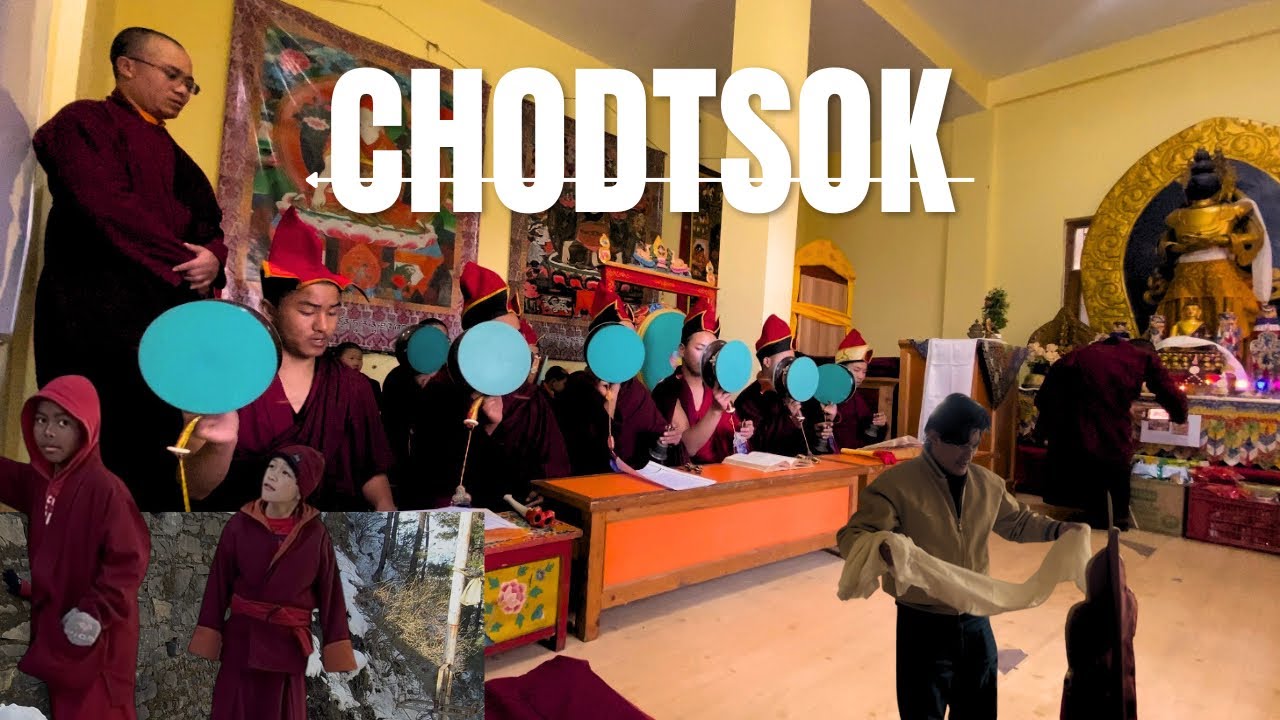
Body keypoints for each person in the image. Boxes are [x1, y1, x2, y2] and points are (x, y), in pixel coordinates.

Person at [31, 27, 225, 511]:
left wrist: (214, 258)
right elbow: (108, 208)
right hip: (90, 319)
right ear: (127, 66)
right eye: (173, 75)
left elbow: (210, 224)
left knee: (150, 459)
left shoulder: (180, 161)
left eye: (190, 83)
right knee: (86, 452)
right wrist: (184, 260)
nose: (183, 89)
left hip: (158, 333)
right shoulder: (82, 124)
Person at [837, 393, 1087, 720]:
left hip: (975, 614)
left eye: (975, 444)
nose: (969, 454)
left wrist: (1059, 530)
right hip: (921, 620)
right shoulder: (897, 485)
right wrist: (882, 547)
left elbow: (1017, 522)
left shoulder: (987, 484)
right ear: (934, 438)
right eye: (960, 445)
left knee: (979, 708)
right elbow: (853, 536)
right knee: (922, 710)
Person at [180, 207, 396, 511]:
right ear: (269, 310)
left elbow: (370, 471)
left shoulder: (352, 387)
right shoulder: (229, 379)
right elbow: (194, 488)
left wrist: (387, 516)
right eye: (308, 311)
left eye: (333, 312)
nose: (323, 325)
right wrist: (222, 445)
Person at [0, 376, 151, 720]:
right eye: (41, 419)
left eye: (63, 421)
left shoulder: (106, 490)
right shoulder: (42, 483)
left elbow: (129, 561)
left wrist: (91, 614)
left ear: (86, 427)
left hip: (99, 643)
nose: (49, 431)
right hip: (60, 640)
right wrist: (29, 589)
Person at [188, 444, 356, 720]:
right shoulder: (238, 526)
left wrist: (336, 648)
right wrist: (209, 633)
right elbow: (218, 586)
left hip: (286, 651)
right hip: (242, 644)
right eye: (272, 467)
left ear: (302, 487)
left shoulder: (316, 535)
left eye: (285, 472)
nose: (273, 476)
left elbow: (331, 595)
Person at [410, 263, 570, 511]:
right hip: (465, 515)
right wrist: (488, 424)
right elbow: (432, 473)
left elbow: (553, 458)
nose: (515, 347)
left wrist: (546, 489)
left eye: (517, 336)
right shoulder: (443, 390)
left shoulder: (528, 396)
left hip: (522, 511)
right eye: (505, 337)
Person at [1035, 330, 1187, 529]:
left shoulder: (1093, 350)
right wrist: (1179, 414)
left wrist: (1045, 425)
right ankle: (1116, 517)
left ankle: (1090, 510)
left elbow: (1054, 381)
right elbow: (1166, 389)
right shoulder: (1144, 357)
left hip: (1072, 408)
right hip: (1101, 413)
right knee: (1115, 452)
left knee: (1082, 452)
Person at [555, 291, 683, 475]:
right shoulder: (577, 388)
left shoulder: (634, 389)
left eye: (632, 343)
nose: (628, 350)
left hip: (636, 482)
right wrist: (610, 401)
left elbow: (656, 433)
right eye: (621, 342)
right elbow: (583, 454)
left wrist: (671, 437)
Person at [651, 299, 751, 463]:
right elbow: (687, 447)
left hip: (722, 475)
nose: (707, 357)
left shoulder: (717, 388)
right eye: (699, 349)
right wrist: (715, 411)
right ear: (682, 350)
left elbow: (732, 439)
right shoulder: (667, 390)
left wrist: (742, 432)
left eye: (711, 351)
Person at [735, 314, 832, 456]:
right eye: (785, 361)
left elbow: (810, 437)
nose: (790, 366)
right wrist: (788, 418)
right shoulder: (748, 400)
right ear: (767, 362)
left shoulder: (799, 389)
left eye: (792, 360)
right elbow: (756, 445)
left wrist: (818, 431)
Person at [381, 318, 448, 507]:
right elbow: (392, 422)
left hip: (442, 465)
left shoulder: (451, 377)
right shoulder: (397, 377)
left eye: (443, 339)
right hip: (405, 462)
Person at [830, 328, 888, 450]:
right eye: (856, 370)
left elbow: (867, 433)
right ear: (841, 368)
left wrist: (879, 424)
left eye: (864, 372)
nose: (861, 376)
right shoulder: (827, 392)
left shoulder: (856, 396)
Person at [333, 341, 383, 407]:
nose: (356, 363)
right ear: (338, 359)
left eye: (360, 359)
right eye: (351, 358)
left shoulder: (372, 384)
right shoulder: (329, 382)